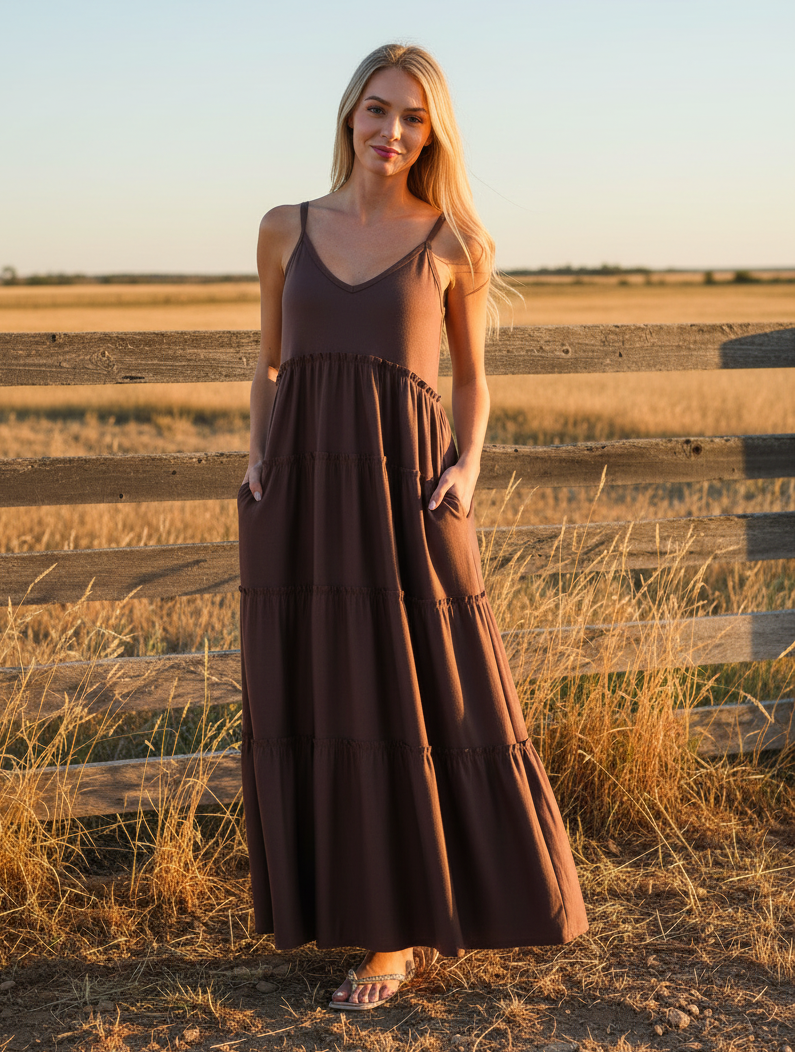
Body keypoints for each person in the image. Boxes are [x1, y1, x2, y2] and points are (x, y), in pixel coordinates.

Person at [237, 42, 588, 1012]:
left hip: (407, 492)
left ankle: (403, 933)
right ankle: (357, 911)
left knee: (423, 691)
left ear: (432, 133)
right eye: (378, 110)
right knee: (318, 694)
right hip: (300, 490)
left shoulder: (453, 241)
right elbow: (269, 364)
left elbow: (471, 380)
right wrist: (257, 458)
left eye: (414, 118)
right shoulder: (282, 229)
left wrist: (466, 468)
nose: (392, 132)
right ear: (348, 113)